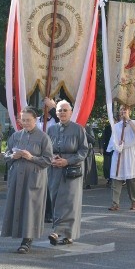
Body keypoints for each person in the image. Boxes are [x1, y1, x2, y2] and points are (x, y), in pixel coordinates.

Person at [1, 107, 53, 253]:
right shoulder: (16, 136)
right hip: (17, 177)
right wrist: (13, 156)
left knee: (30, 208)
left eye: (28, 120)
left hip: (34, 178)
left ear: (35, 120)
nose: (25, 123)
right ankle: (17, 233)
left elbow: (48, 160)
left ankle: (27, 239)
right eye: (23, 120)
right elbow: (6, 154)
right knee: (17, 205)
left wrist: (32, 157)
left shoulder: (43, 137)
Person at [46, 100, 88, 246]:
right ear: (56, 113)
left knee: (69, 202)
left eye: (65, 110)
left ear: (70, 112)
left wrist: (67, 161)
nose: (62, 113)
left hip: (72, 170)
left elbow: (83, 151)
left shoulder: (78, 129)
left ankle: (57, 231)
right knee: (56, 198)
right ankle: (67, 235)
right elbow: (46, 149)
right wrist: (52, 157)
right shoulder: (51, 130)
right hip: (55, 169)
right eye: (59, 110)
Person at [107, 105, 135, 211]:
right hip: (119, 154)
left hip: (130, 154)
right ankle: (115, 203)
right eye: (121, 110)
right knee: (115, 179)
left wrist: (128, 119)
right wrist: (117, 145)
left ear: (129, 112)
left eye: (125, 110)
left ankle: (134, 202)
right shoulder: (116, 126)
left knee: (131, 180)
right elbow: (112, 140)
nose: (123, 111)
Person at [83, 125, 98, 189]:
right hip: (78, 151)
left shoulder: (88, 128)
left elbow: (92, 140)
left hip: (88, 151)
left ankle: (87, 183)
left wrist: (85, 133)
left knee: (88, 168)